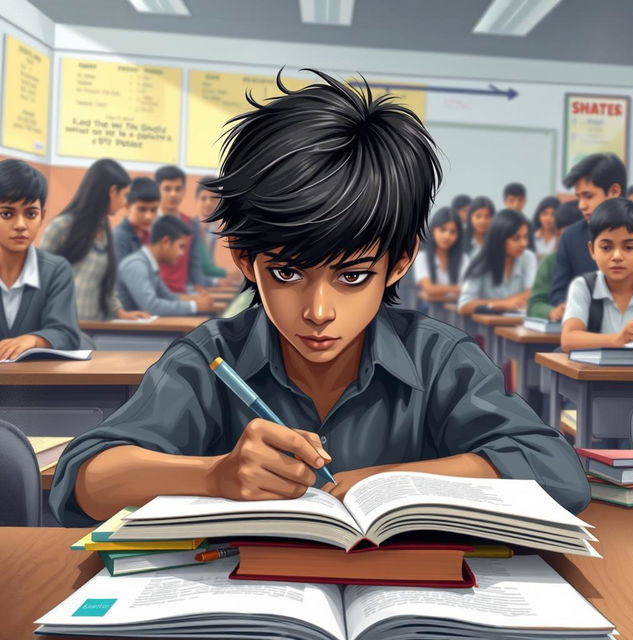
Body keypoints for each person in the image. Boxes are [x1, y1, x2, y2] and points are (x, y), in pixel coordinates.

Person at [50, 70, 589, 527]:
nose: (319, 311)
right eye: (286, 272)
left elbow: (558, 472)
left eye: (353, 276)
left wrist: (390, 480)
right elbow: (85, 478)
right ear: (244, 259)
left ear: (398, 263)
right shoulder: (210, 360)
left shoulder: (439, 358)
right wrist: (214, 474)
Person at [39, 159, 149, 322]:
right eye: (125, 195)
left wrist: (119, 311)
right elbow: (39, 279)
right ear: (112, 192)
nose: (125, 202)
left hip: (96, 328)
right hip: (62, 327)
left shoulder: (105, 231)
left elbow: (106, 285)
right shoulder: (61, 227)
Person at [0, 159, 80, 361]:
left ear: (42, 216)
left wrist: (33, 339)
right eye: (7, 213)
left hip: (37, 386)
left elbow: (66, 333)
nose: (20, 225)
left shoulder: (56, 270)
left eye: (31, 213)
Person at [561, 198, 633, 352]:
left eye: (629, 247)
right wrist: (618, 339)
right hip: (594, 376)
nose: (617, 256)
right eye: (606, 247)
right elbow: (568, 339)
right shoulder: (584, 286)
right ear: (592, 250)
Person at [550, 153, 626, 306]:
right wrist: (565, 306)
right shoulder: (571, 237)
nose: (581, 205)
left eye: (588, 196)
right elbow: (558, 292)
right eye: (579, 197)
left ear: (614, 192)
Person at [118, 215, 220, 316]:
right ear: (165, 242)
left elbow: (168, 297)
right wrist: (194, 306)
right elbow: (151, 306)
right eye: (181, 246)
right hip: (126, 330)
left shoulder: (149, 263)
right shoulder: (136, 265)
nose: (182, 253)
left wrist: (195, 298)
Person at [458, 209, 537, 315]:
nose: (523, 243)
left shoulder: (528, 257)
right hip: (485, 328)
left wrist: (508, 302)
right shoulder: (482, 260)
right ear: (500, 238)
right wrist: (504, 304)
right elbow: (464, 305)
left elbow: (532, 294)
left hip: (518, 326)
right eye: (516, 238)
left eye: (525, 237)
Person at [155, 165, 213, 294]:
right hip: (151, 295)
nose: (173, 194)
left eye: (178, 189)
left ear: (184, 191)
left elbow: (195, 262)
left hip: (182, 293)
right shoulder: (146, 223)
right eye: (167, 189)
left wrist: (199, 286)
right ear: (157, 190)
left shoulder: (191, 224)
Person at [527, 200, 583, 321]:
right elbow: (534, 305)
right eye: (568, 233)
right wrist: (551, 311)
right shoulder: (550, 261)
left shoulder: (600, 260)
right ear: (558, 233)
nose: (575, 239)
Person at [413, 206, 468, 300]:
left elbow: (469, 291)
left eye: (453, 232)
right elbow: (429, 289)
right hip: (429, 311)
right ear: (433, 230)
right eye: (443, 230)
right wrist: (457, 289)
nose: (447, 236)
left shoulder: (464, 259)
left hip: (458, 310)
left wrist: (438, 293)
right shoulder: (422, 257)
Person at [112, 177, 160, 262]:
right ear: (127, 205)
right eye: (142, 209)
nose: (148, 216)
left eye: (153, 210)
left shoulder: (149, 237)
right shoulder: (118, 239)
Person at [194, 177, 228, 280]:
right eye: (203, 198)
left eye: (213, 198)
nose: (208, 203)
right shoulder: (190, 228)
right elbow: (204, 267)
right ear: (197, 200)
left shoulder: (219, 229)